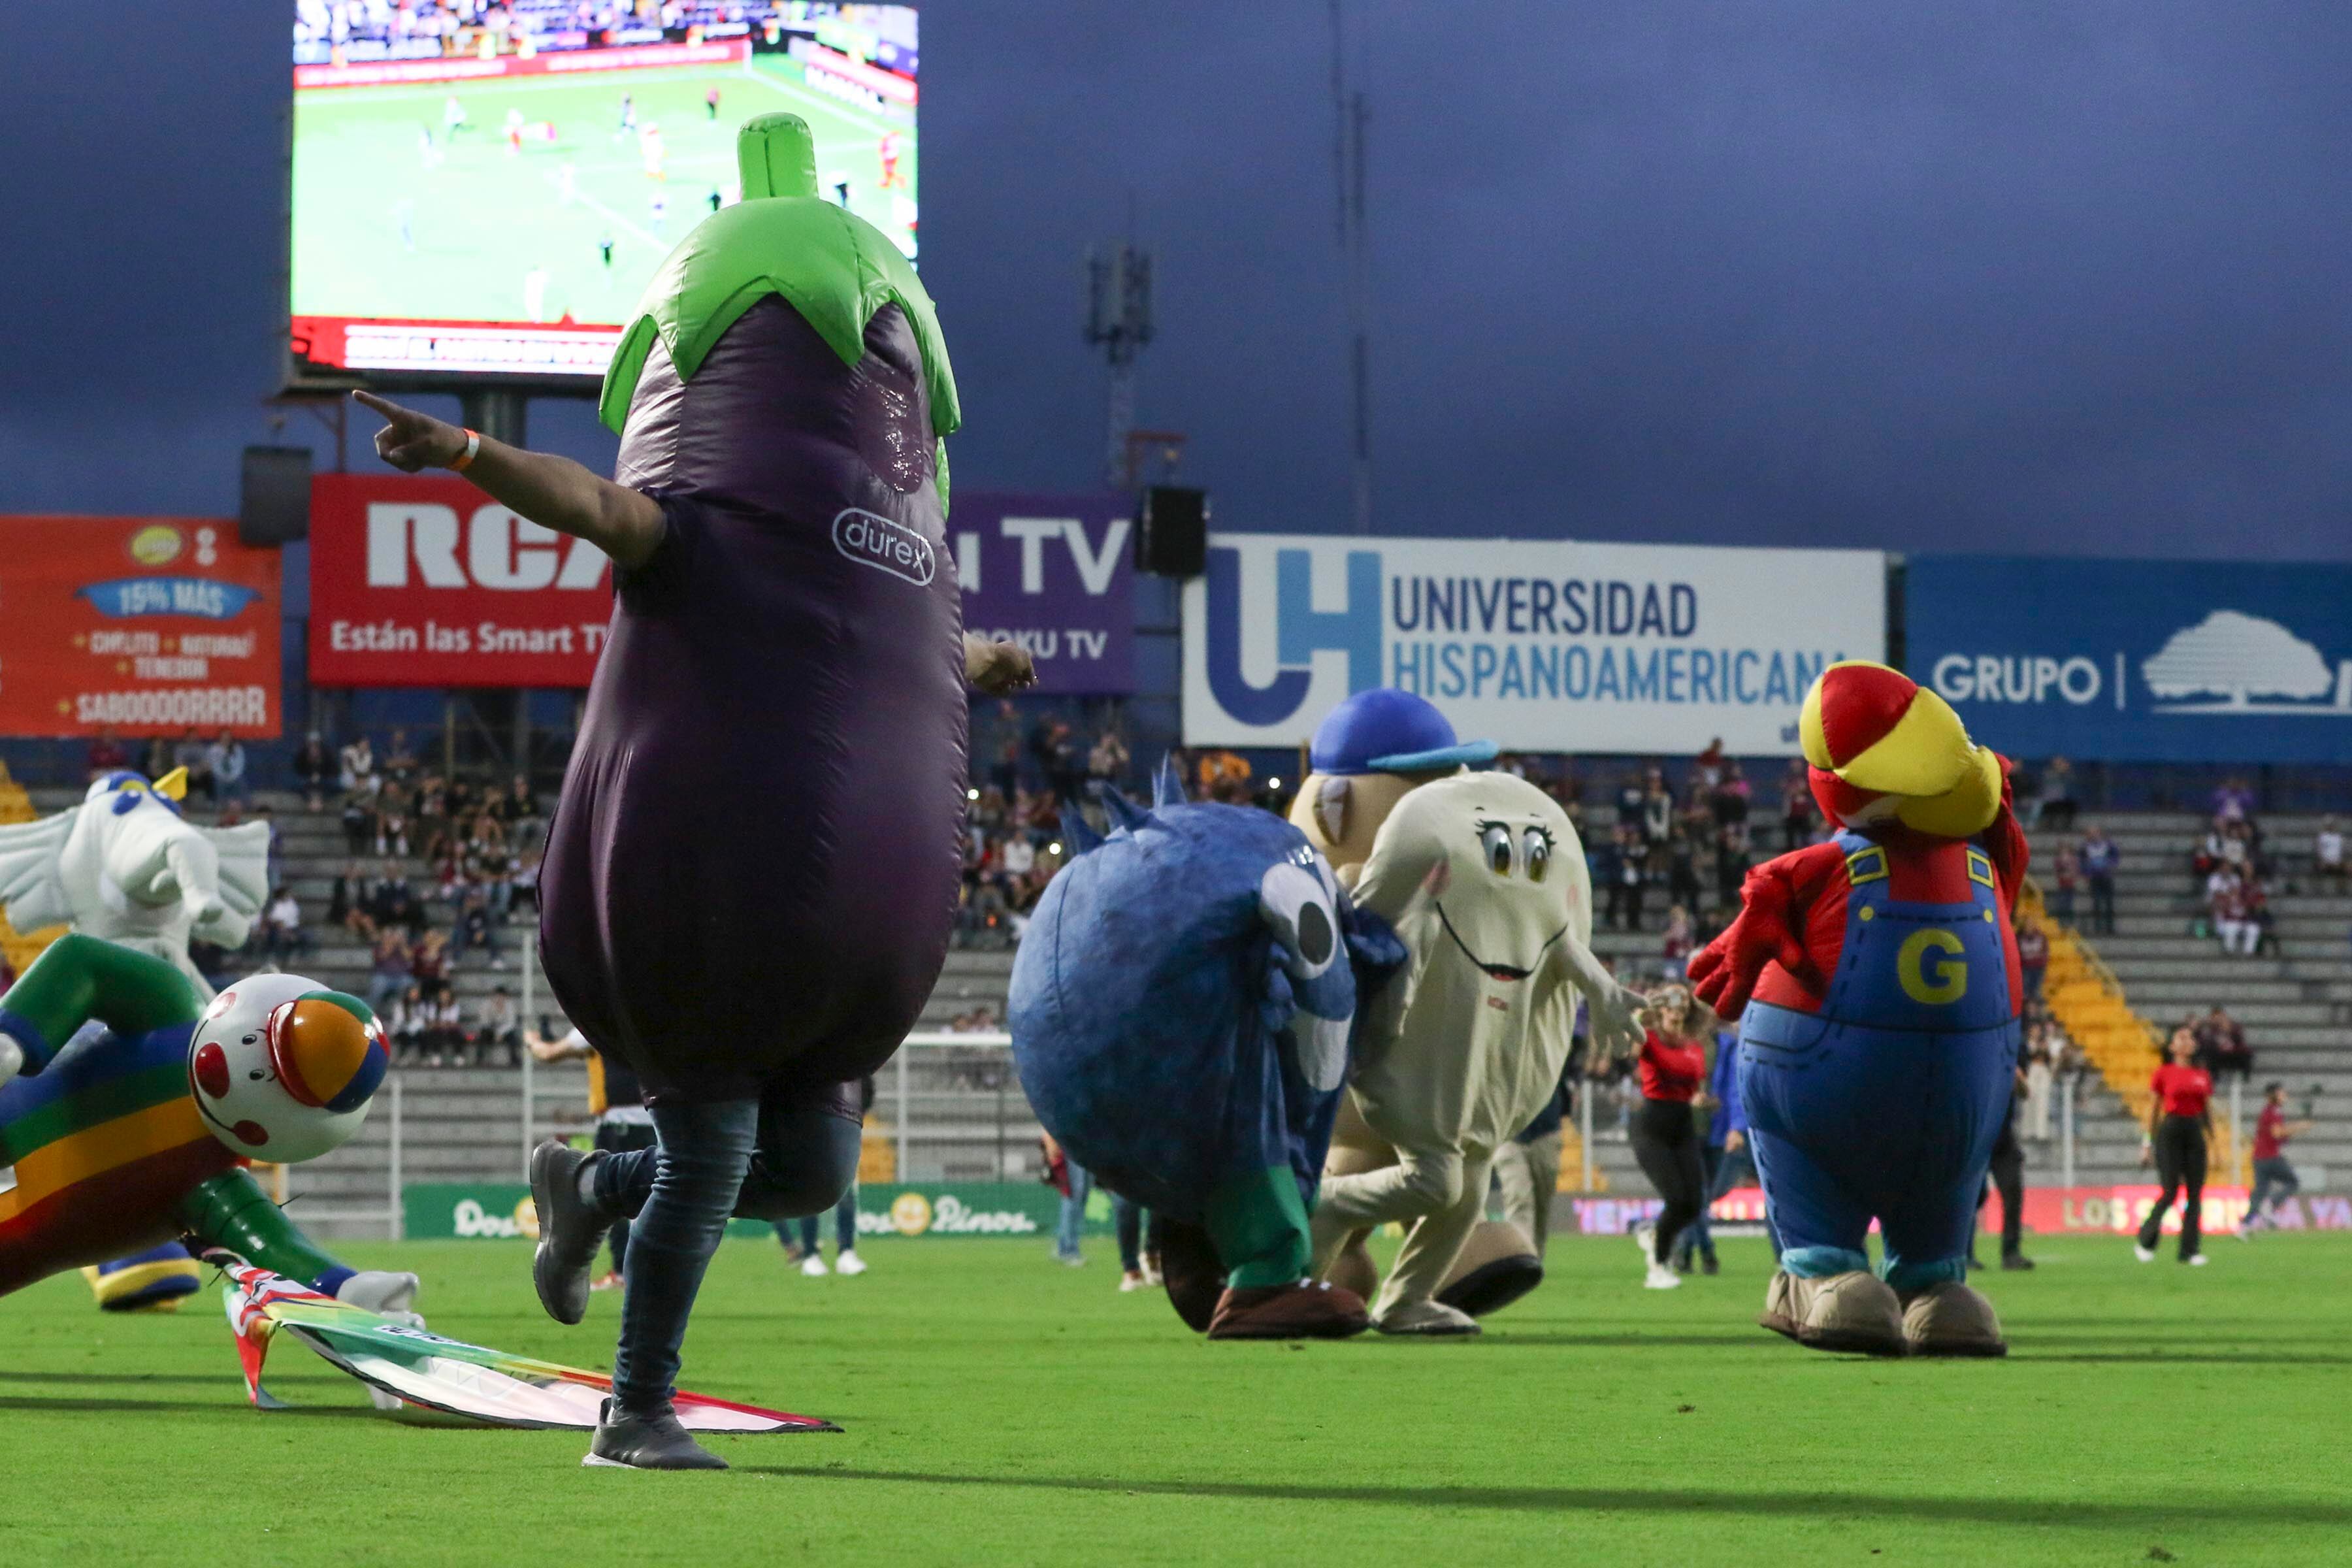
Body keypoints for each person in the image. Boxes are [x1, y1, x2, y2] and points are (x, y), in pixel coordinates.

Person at [353, 126, 1035, 1465]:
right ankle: (636, 1410)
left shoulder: (884, 554)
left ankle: (592, 1183)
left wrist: (971, 659)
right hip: (699, 885)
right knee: (719, 1153)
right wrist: (469, 455)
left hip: (824, 929)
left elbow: (855, 654)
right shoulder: (699, 519)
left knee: (814, 1175)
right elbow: (603, 509)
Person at [531, 1026, 654, 1293]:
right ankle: (657, 1272)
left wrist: (532, 1041)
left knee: (614, 1200)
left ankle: (622, 1271)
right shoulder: (647, 1018)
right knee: (659, 1197)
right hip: (658, 1120)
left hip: (618, 1127)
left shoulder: (596, 1022)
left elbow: (549, 1054)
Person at [1622, 987, 1708, 1292]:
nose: (1676, 1009)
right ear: (1661, 1009)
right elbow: (1627, 1051)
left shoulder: (1693, 1046)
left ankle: (1656, 1235)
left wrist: (1700, 1098)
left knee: (1694, 1204)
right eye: (1670, 1003)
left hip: (1682, 1124)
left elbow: (1693, 1084)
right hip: (1652, 1126)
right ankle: (1657, 1266)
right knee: (1676, 1199)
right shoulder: (1649, 1038)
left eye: (1682, 1003)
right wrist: (1638, 1016)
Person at [2134, 1028, 2213, 1266]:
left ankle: (2189, 1251)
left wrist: (2213, 1141)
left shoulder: (2202, 1075)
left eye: (2190, 1038)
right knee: (2170, 1191)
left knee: (2195, 1193)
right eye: (2182, 1038)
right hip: (2171, 1131)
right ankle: (2146, 1238)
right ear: (2172, 1047)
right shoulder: (2164, 1073)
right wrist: (2147, 1143)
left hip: (2194, 1130)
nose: (2188, 1042)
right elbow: (2154, 1110)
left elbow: (2206, 1110)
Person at [2242, 1083, 2313, 1235]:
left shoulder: (2269, 1112)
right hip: (2270, 1157)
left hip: (2259, 1158)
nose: (2284, 1096)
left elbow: (2276, 1134)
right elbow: (2277, 1133)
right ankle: (2270, 1205)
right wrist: (2300, 1127)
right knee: (2293, 1182)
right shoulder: (2273, 1112)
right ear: (2273, 1095)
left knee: (2260, 1192)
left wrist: (2290, 1132)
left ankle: (2245, 1225)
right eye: (2281, 1093)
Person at [1039, 1130, 1090, 1266]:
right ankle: (1070, 1250)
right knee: (1072, 1196)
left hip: (1086, 1148)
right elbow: (1049, 1116)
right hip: (1070, 1150)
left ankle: (1064, 1247)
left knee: (1078, 1198)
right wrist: (1050, 1143)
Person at [2080, 825, 2119, 934]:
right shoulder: (2086, 847)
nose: (2093, 835)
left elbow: (2116, 856)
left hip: (2106, 877)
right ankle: (2098, 928)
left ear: (2099, 833)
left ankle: (2110, 928)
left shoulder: (2107, 845)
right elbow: (2082, 862)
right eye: (2091, 833)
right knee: (2096, 903)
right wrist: (2086, 873)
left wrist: (2111, 865)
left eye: (2095, 833)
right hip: (2094, 878)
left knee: (2109, 903)